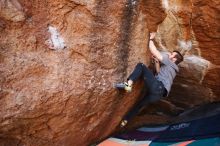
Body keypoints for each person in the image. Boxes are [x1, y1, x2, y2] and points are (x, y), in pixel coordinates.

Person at [116, 32, 184, 127]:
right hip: (157, 95)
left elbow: (154, 51)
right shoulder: (172, 69)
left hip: (158, 87)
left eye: (172, 54)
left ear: (174, 59)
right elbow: (158, 71)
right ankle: (125, 121)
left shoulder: (170, 62)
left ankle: (128, 84)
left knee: (141, 66)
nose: (169, 54)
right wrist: (157, 62)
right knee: (139, 104)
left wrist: (150, 39)